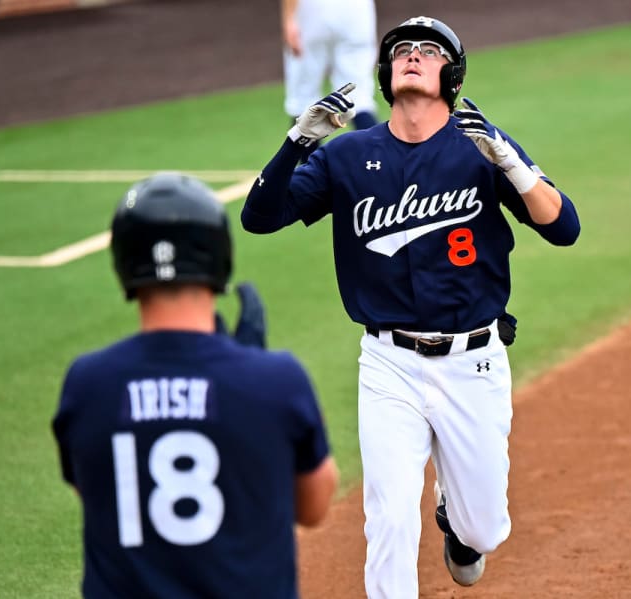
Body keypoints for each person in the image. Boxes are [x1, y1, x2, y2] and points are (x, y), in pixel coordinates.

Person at [242, 15, 580, 599]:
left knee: (485, 528)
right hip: (388, 363)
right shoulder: (347, 156)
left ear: (452, 73)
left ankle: (459, 522)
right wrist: (299, 141)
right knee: (389, 517)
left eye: (429, 50)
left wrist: (513, 166)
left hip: (473, 360)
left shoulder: (482, 146)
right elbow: (259, 217)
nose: (413, 55)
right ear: (386, 71)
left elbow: (564, 228)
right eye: (402, 50)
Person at [52, 172, 338, 599]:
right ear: (219, 258)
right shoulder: (276, 381)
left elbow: (94, 490)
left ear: (124, 263)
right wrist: (246, 381)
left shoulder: (88, 385)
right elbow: (313, 507)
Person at [281, 0, 379, 161]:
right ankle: (387, 171)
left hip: (313, 9)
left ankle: (313, 181)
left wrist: (289, 18)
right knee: (360, 98)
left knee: (303, 101)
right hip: (357, 9)